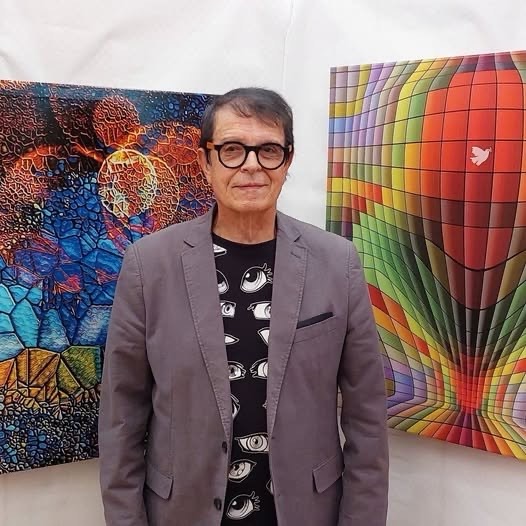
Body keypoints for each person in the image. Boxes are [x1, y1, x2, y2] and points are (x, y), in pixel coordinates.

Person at [98, 87, 388, 526]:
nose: (251, 165)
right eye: (232, 149)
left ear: (287, 162)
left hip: (306, 511)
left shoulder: (336, 262)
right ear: (205, 162)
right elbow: (121, 417)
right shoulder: (149, 265)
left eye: (268, 150)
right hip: (184, 511)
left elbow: (367, 417)